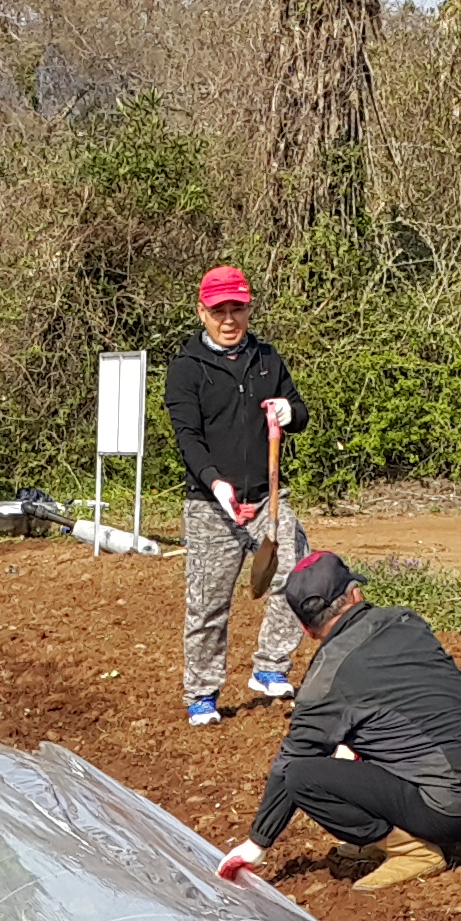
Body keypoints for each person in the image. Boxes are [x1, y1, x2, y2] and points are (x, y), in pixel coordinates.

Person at [208, 551, 461, 893]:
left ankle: (410, 850)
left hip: (451, 811)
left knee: (302, 775)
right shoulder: (405, 621)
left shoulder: (324, 683)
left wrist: (256, 843)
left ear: (306, 628)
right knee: (360, 742)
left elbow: (290, 765)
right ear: (355, 594)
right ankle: (405, 830)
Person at [170, 262, 305, 724]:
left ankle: (270, 667)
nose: (230, 319)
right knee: (209, 604)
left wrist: (290, 411)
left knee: (298, 570)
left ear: (248, 308)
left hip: (267, 495)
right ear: (202, 312)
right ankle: (202, 694)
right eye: (219, 310)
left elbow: (299, 412)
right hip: (212, 504)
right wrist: (216, 482)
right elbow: (187, 437)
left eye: (238, 309)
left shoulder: (267, 360)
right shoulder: (186, 370)